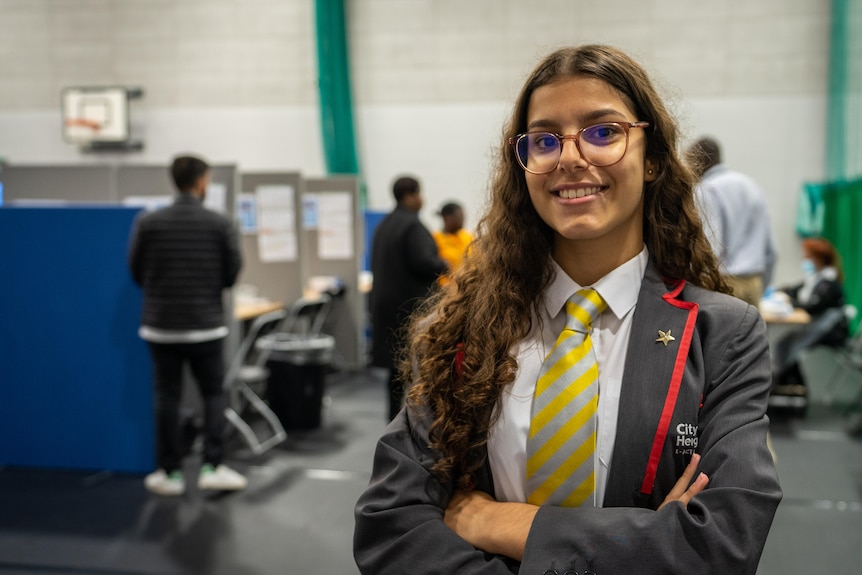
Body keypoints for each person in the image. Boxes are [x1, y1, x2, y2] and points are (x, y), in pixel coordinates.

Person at [354, 45, 781, 574]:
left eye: (604, 132)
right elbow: (389, 523)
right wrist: (644, 538)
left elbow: (721, 544)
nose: (570, 157)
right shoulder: (464, 329)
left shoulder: (722, 334)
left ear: (651, 159)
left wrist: (496, 522)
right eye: (544, 140)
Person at [128, 155, 247, 496]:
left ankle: (170, 473)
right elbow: (231, 274)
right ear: (200, 183)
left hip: (160, 325)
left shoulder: (148, 223)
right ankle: (213, 466)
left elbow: (137, 272)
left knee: (167, 395)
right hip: (205, 326)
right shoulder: (220, 223)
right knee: (213, 394)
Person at [369, 175, 447, 421]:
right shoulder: (412, 225)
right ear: (409, 196)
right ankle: (418, 425)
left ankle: (393, 420)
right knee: (416, 369)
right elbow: (424, 262)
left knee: (395, 372)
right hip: (409, 309)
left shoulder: (385, 224)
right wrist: (443, 264)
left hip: (386, 307)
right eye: (419, 193)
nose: (421, 199)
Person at [688, 136, 777, 306]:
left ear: (699, 161)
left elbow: (711, 246)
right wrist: (763, 286)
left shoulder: (706, 190)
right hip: (753, 282)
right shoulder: (751, 185)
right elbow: (771, 249)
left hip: (723, 284)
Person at [772, 237, 849, 397]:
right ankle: (788, 382)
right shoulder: (815, 278)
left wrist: (792, 303)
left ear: (819, 258)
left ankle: (788, 384)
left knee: (792, 345)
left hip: (830, 331)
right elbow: (795, 289)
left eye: (808, 257)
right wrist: (779, 291)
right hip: (817, 326)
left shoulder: (829, 282)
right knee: (784, 343)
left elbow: (813, 307)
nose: (804, 260)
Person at [433, 201, 475, 286]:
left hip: (468, 286)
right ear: (446, 218)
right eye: (459, 216)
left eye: (463, 216)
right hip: (445, 289)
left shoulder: (468, 237)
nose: (463, 219)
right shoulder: (435, 239)